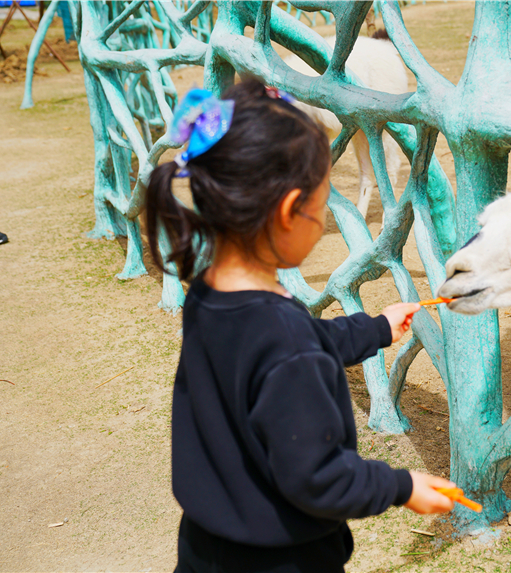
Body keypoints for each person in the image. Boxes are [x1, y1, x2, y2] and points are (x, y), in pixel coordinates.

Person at [144, 78, 455, 573]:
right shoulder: (285, 342)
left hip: (205, 547)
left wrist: (374, 329)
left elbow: (288, 348)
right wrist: (402, 486)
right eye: (321, 207)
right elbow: (318, 479)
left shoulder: (209, 293)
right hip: (282, 559)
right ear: (290, 211)